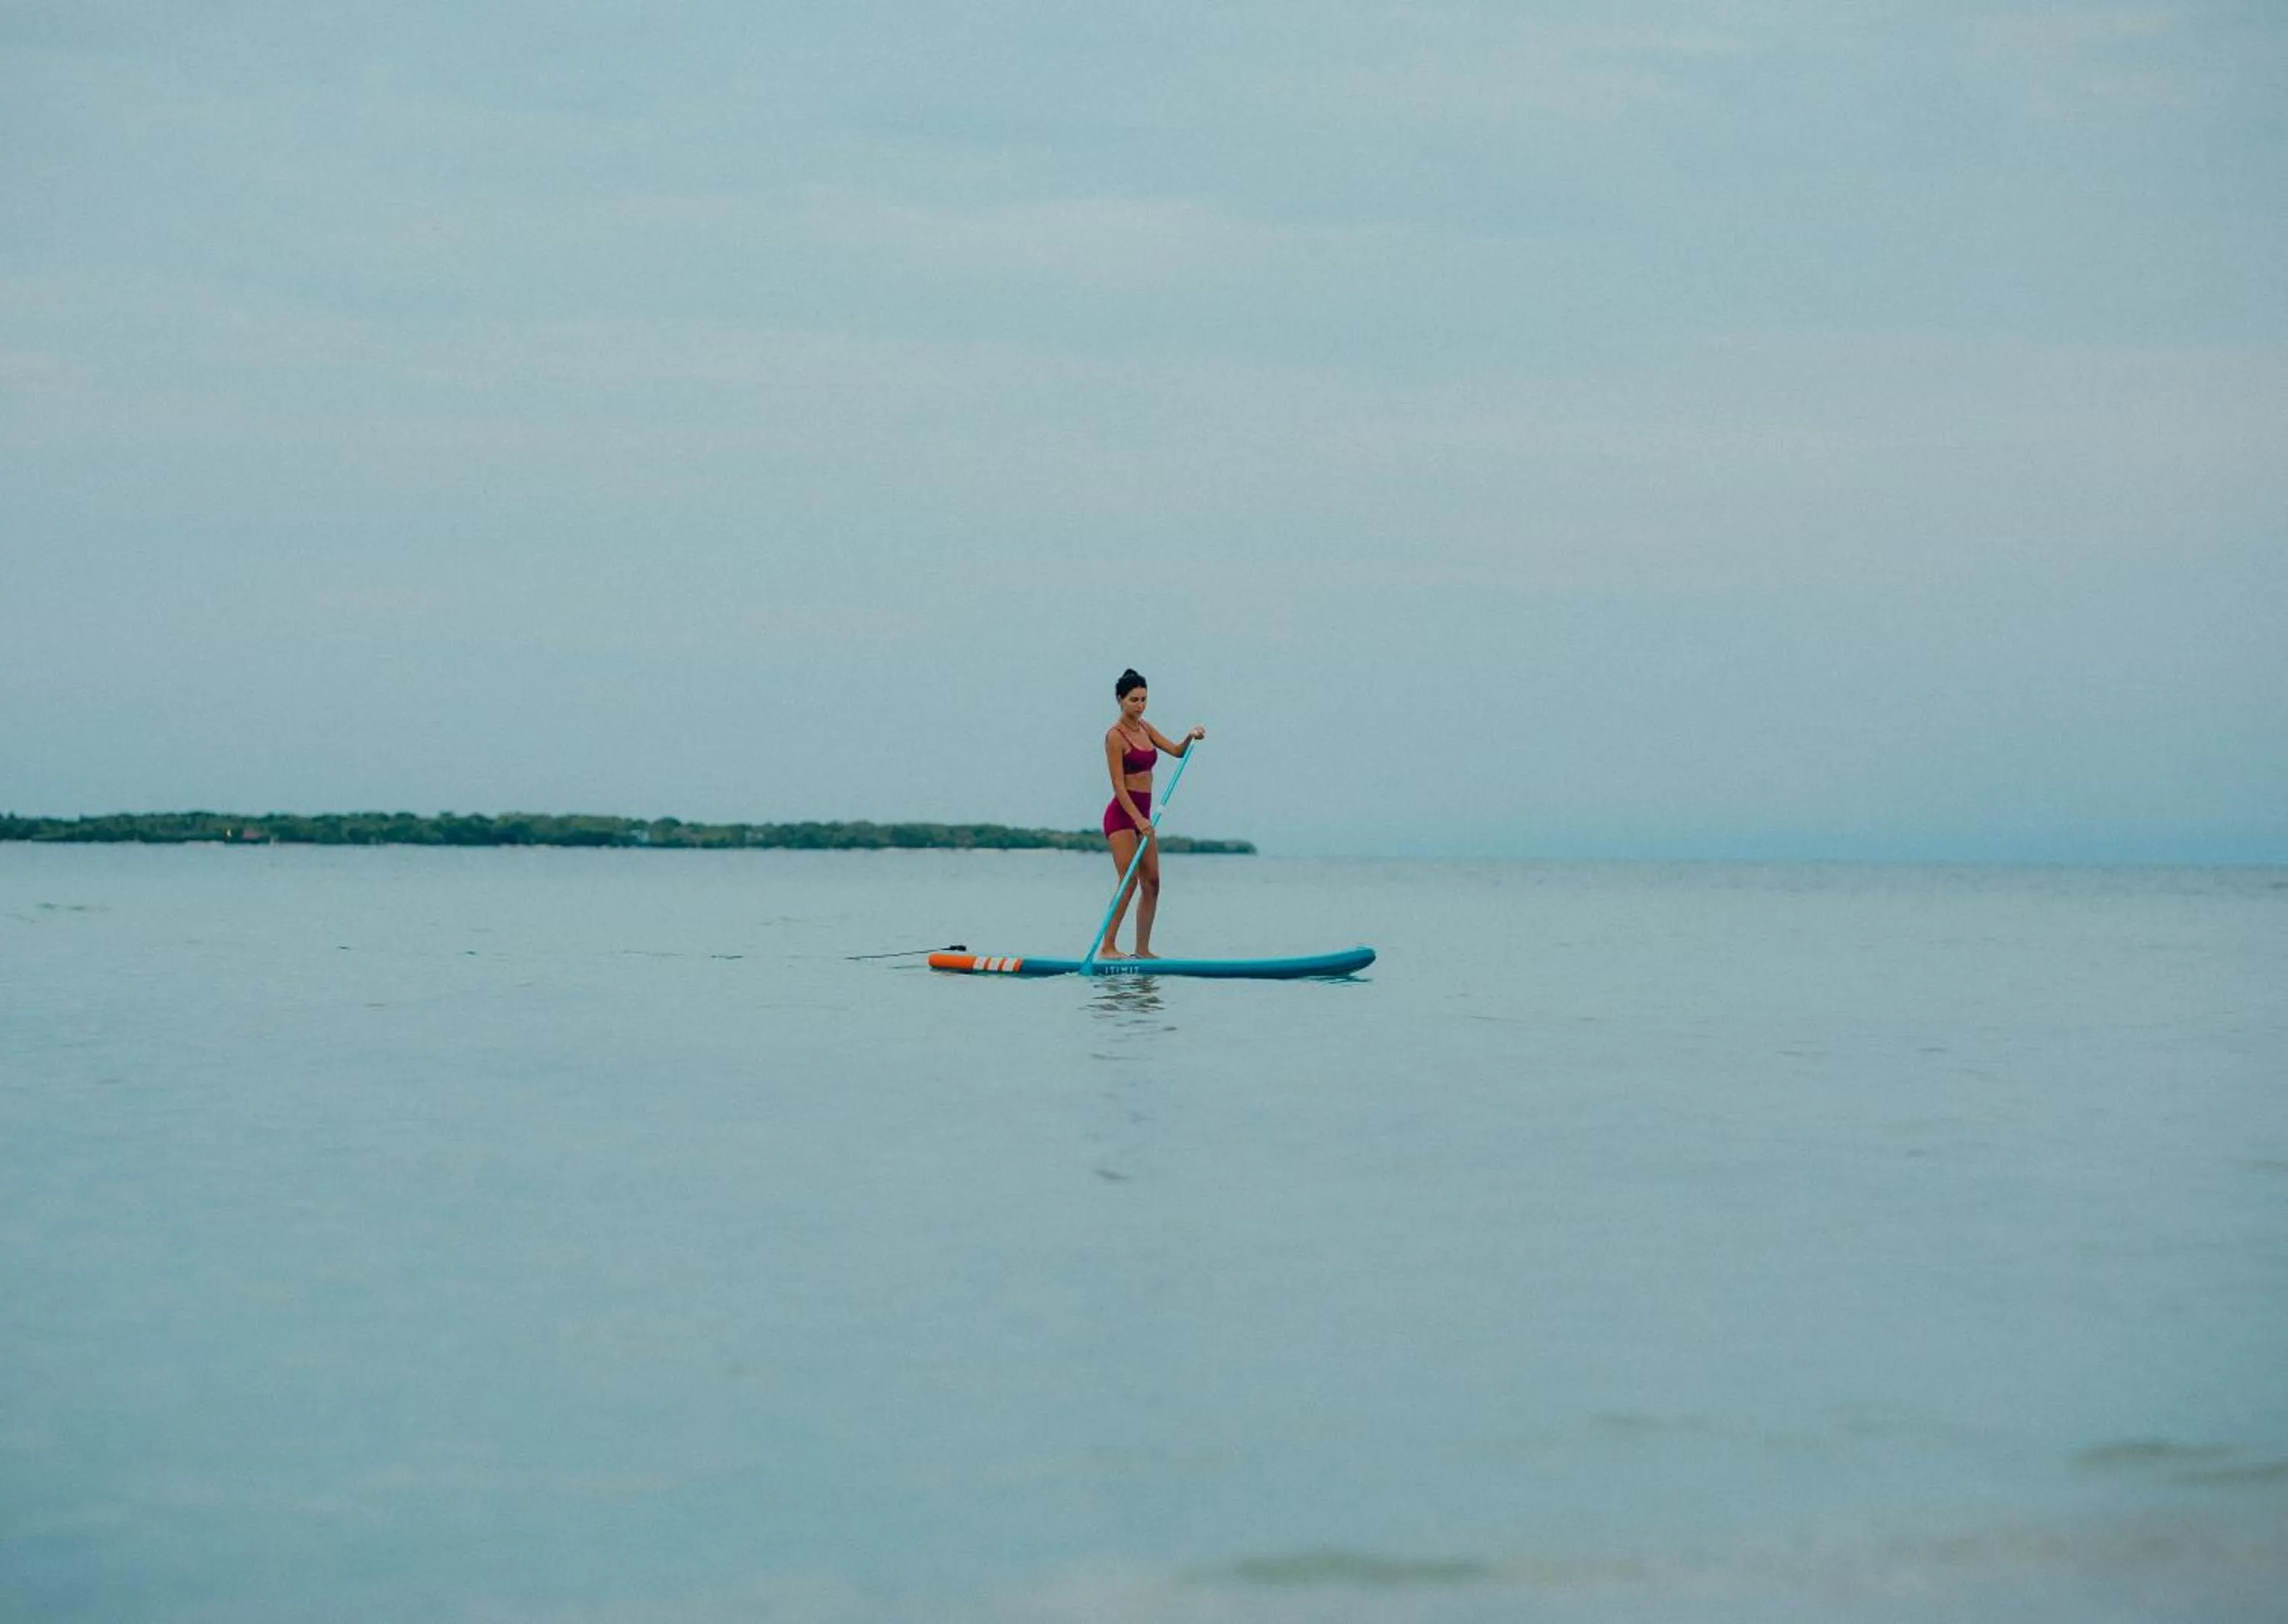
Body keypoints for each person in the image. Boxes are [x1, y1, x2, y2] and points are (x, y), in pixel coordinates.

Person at [1097, 668, 1206, 959]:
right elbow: (1118, 785)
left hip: (1144, 818)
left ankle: (1142, 950)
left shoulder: (1146, 728)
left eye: (1144, 699)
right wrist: (1138, 819)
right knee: (1129, 880)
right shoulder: (1115, 736)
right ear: (1120, 699)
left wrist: (1190, 736)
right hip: (1123, 816)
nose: (1140, 705)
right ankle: (1108, 947)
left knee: (1153, 882)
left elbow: (1177, 751)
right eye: (1134, 700)